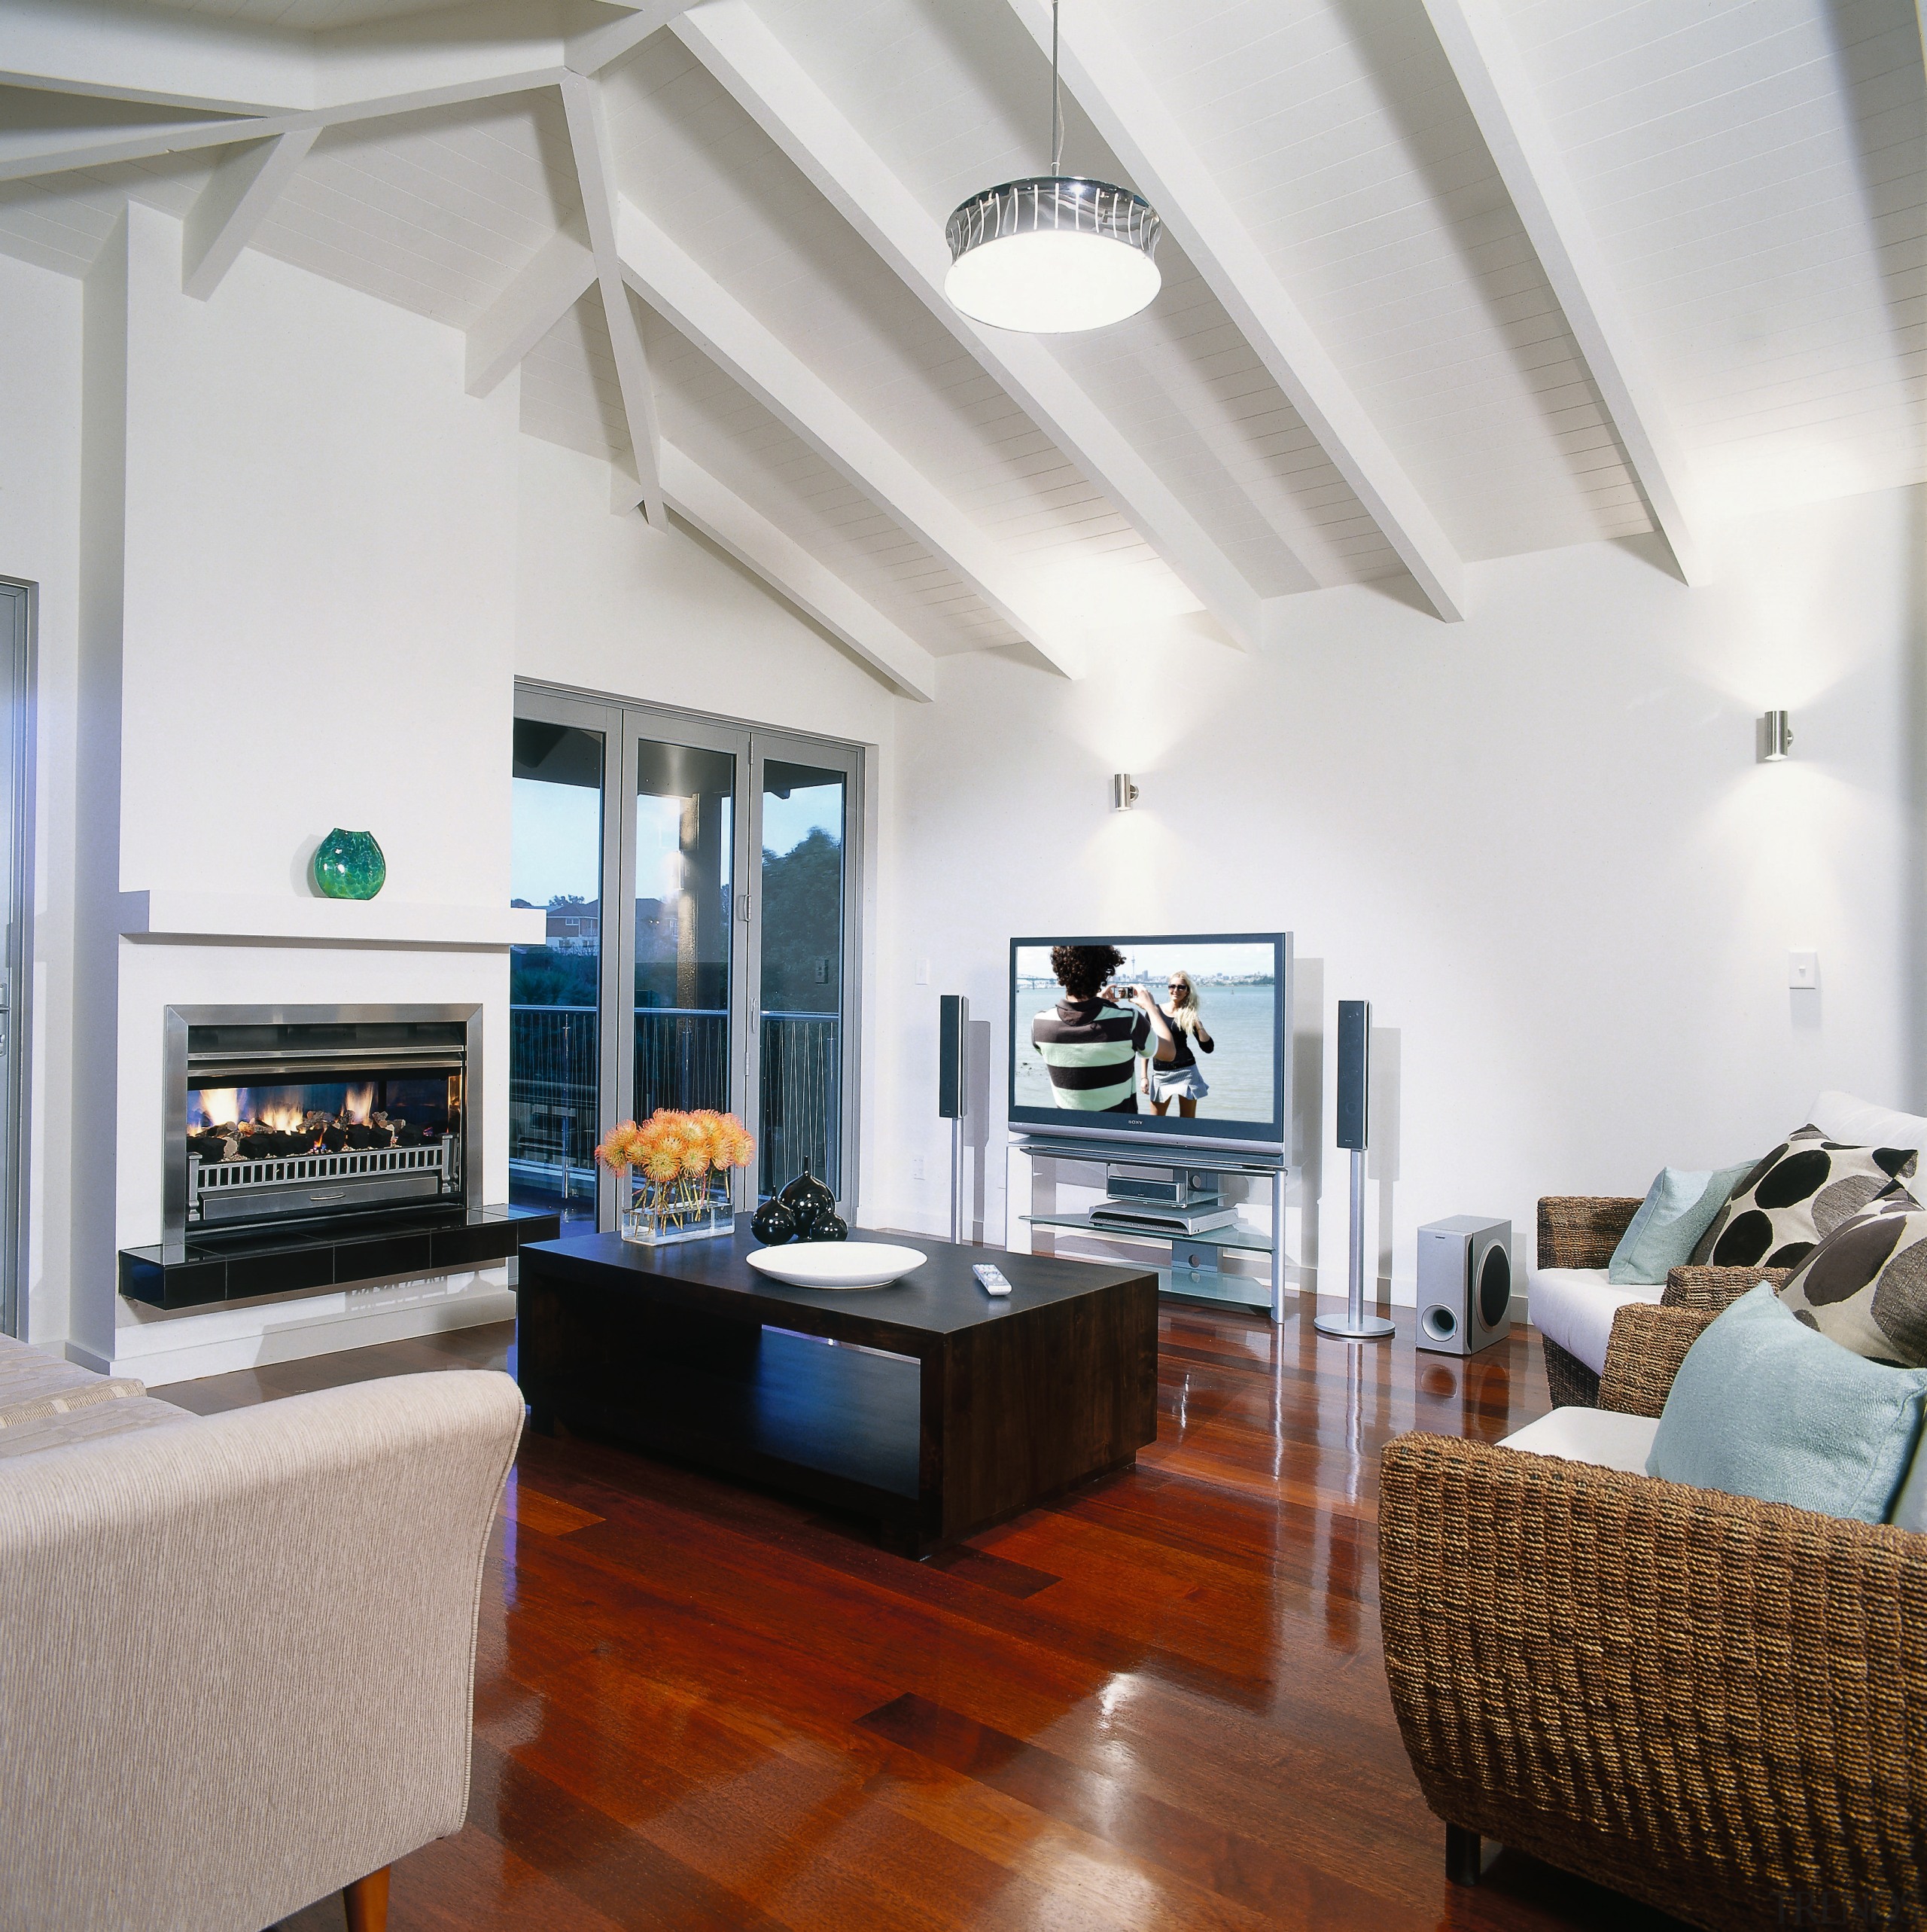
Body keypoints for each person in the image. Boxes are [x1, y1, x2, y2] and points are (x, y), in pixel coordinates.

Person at [1030, 943, 1174, 1111]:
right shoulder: (1129, 1021)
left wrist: (1096, 1003)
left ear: (1059, 970)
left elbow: (1079, 1045)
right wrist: (1151, 1008)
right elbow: (1169, 1053)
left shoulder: (1040, 1024)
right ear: (1103, 971)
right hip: (1118, 1130)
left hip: (1069, 1130)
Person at [1144, 969, 1213, 1118]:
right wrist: (1144, 1076)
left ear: (1187, 991)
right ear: (1168, 988)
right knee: (1156, 1123)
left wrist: (1197, 1022)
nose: (1176, 990)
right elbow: (1146, 1045)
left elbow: (1208, 1048)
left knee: (1187, 1123)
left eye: (1181, 987)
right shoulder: (1154, 1011)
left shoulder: (1188, 1014)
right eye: (1172, 986)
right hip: (1161, 1073)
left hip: (1187, 1071)